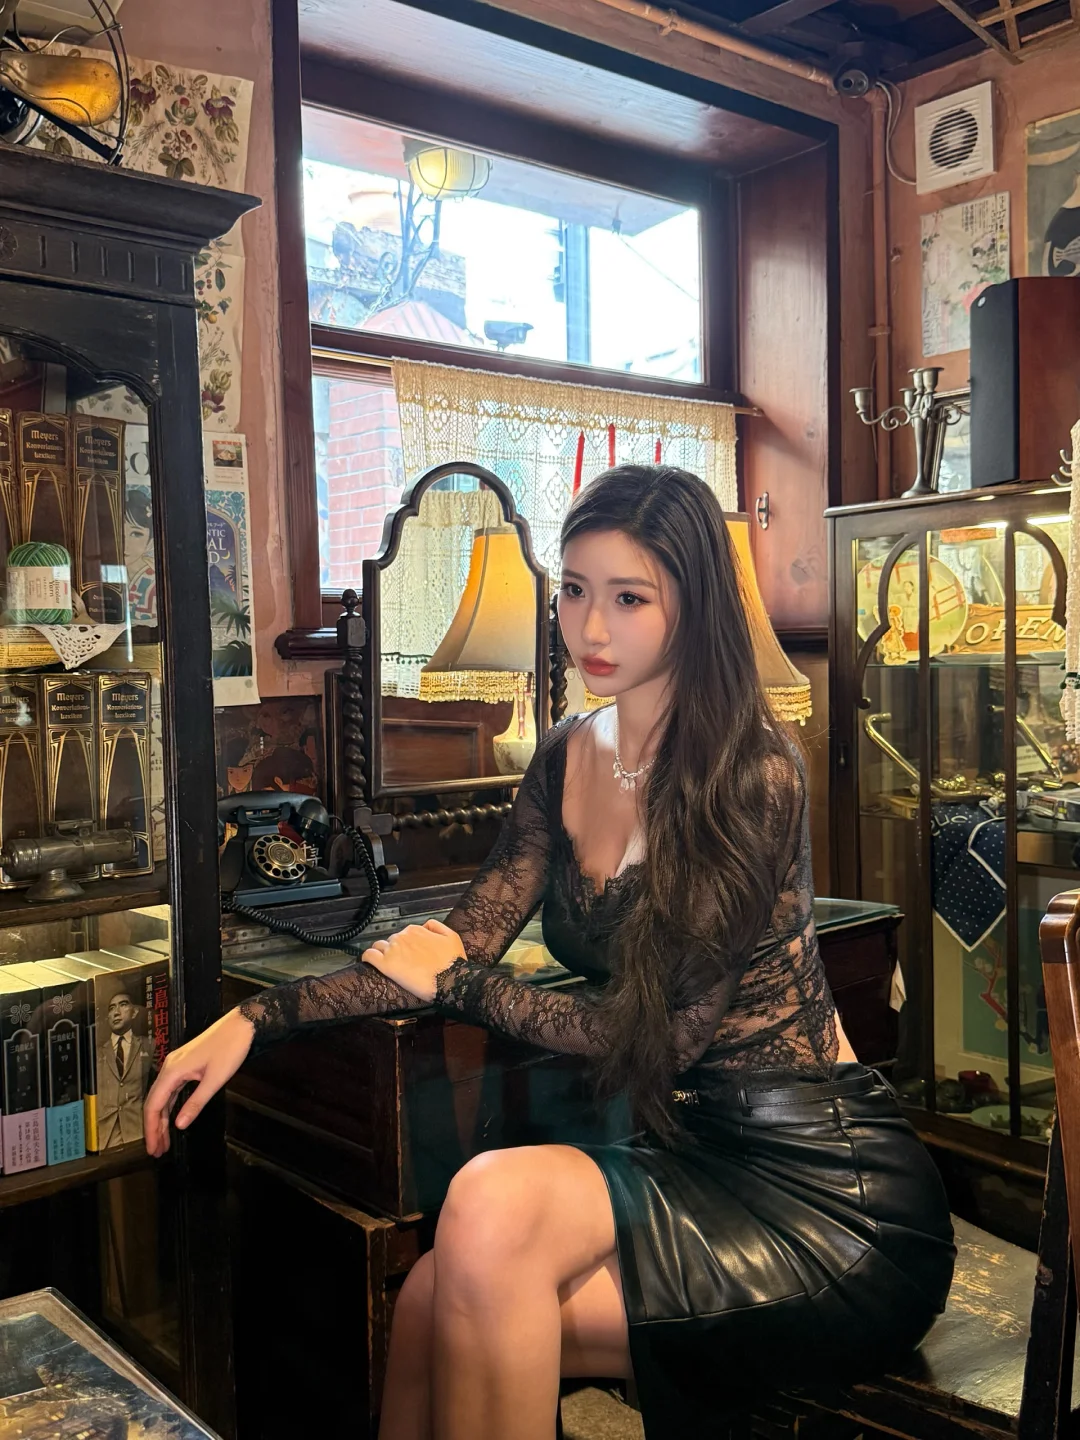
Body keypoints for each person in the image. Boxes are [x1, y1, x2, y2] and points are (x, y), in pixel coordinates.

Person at [144, 466, 955, 1440]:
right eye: (574, 590)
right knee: (431, 1298)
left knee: (487, 1210)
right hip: (690, 1152)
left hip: (829, 1195)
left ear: (694, 606)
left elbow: (658, 1037)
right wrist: (251, 1019)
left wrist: (461, 985)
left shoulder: (753, 771)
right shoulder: (569, 752)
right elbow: (461, 940)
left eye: (630, 598)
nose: (591, 627)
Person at [98, 988, 152, 1150]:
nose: (116, 1012)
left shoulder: (149, 1045)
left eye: (123, 1005)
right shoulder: (97, 1053)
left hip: (139, 1131)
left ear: (135, 1012)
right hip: (104, 1135)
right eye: (111, 1008)